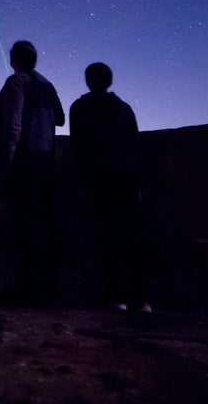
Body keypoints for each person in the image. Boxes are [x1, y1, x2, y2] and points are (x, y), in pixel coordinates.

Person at [69, 62, 151, 313]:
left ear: (87, 80)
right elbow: (136, 146)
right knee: (133, 237)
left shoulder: (80, 107)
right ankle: (142, 299)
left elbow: (78, 147)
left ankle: (117, 297)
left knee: (107, 236)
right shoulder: (124, 108)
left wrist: (84, 176)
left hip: (98, 178)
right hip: (125, 176)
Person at [0, 40, 65, 306]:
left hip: (25, 161)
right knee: (45, 224)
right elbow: (60, 118)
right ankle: (50, 289)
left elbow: (12, 122)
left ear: (13, 60)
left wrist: (8, 158)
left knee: (25, 225)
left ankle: (29, 289)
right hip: (47, 160)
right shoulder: (47, 85)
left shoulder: (16, 83)